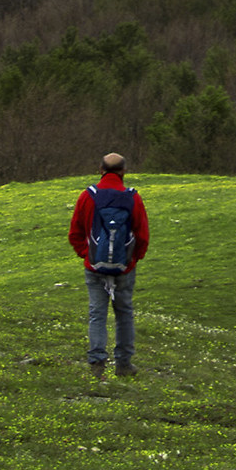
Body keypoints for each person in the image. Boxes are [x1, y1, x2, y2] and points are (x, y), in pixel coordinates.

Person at [68, 152, 149, 378]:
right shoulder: (133, 198)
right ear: (124, 171)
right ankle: (124, 364)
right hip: (125, 267)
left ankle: (97, 364)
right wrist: (132, 260)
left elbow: (75, 233)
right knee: (124, 313)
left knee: (97, 313)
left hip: (94, 266)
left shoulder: (88, 196)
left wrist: (87, 255)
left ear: (100, 170)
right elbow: (142, 235)